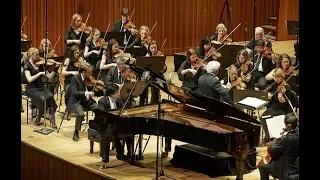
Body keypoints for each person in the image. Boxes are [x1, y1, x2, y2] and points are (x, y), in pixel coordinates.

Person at [97, 84, 133, 169]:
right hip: (106, 125)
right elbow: (102, 115)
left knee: (130, 132)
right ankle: (105, 160)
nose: (119, 93)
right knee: (107, 135)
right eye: (117, 92)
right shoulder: (102, 101)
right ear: (112, 93)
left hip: (117, 124)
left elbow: (122, 109)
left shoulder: (119, 100)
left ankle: (127, 155)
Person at [260, 68, 298, 143]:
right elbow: (265, 91)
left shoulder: (287, 87)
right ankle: (267, 136)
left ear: (282, 77)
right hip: (275, 108)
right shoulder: (274, 85)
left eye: (280, 77)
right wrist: (268, 94)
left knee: (275, 117)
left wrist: (282, 99)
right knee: (263, 117)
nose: (278, 79)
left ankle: (278, 137)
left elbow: (286, 102)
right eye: (276, 77)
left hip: (283, 110)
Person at [258, 113, 299, 180]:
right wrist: (288, 130)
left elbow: (272, 150)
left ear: (288, 126)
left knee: (262, 167)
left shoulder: (284, 139)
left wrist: (277, 138)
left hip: (286, 170)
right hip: (297, 167)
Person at [23, 47, 57, 128]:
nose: (38, 57)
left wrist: (55, 68)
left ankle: (52, 119)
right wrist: (40, 73)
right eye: (37, 55)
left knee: (51, 97)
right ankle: (38, 118)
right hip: (32, 89)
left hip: (41, 87)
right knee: (43, 99)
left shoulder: (40, 65)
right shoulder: (27, 65)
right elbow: (29, 79)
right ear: (31, 55)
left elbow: (49, 77)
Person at [66, 62, 98, 141]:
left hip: (87, 100)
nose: (91, 74)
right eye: (89, 72)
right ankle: (76, 132)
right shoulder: (75, 79)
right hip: (77, 101)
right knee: (80, 114)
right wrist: (87, 93)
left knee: (99, 109)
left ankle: (94, 128)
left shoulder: (88, 79)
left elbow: (91, 90)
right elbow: (74, 93)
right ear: (84, 72)